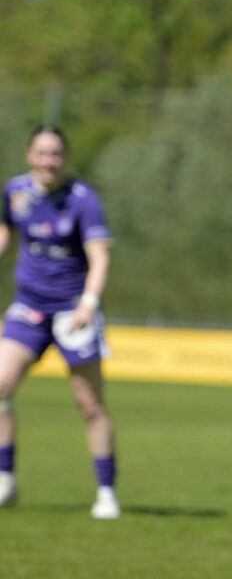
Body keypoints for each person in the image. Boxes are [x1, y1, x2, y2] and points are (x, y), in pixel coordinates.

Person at [0, 124, 121, 519]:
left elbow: (99, 256)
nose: (47, 161)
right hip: (29, 307)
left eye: (54, 154)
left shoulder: (84, 199)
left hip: (72, 309)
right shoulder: (15, 191)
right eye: (41, 153)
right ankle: (5, 480)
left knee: (90, 404)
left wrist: (89, 302)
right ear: (29, 155)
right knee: (0, 385)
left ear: (65, 157)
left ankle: (106, 492)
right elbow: (6, 232)